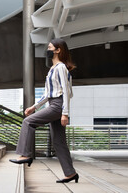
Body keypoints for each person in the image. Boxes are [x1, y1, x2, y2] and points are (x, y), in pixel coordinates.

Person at [9, 38, 79, 184]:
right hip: (53, 104)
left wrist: (65, 113)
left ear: (58, 50)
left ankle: (25, 155)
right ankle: (70, 173)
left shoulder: (60, 68)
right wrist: (34, 107)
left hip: (58, 105)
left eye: (50, 47)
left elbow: (66, 92)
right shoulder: (52, 69)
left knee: (28, 122)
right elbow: (47, 94)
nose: (47, 50)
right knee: (59, 141)